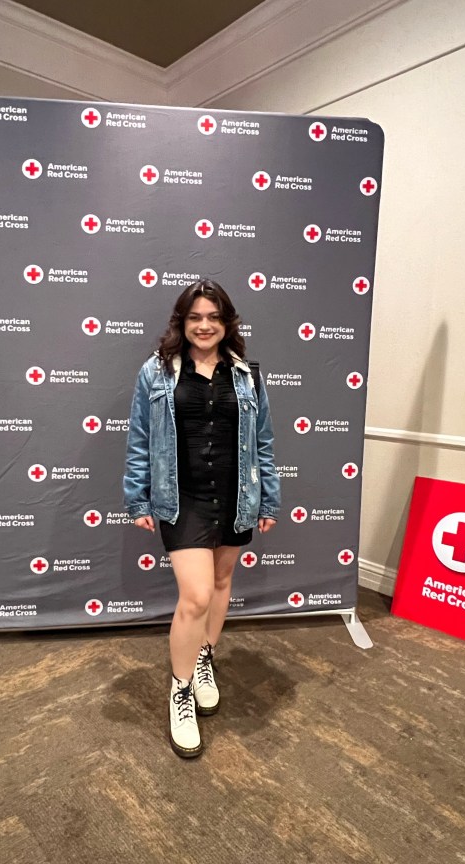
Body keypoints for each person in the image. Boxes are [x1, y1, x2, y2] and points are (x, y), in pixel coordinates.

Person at [123, 280, 280, 758]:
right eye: (195, 317)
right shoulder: (155, 371)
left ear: (227, 322)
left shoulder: (247, 376)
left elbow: (263, 442)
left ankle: (205, 655)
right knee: (194, 595)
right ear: (182, 322)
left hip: (236, 495)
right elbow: (139, 439)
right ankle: (181, 689)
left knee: (221, 581)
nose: (204, 325)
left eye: (213, 316)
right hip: (182, 497)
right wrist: (137, 499)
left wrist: (269, 500)